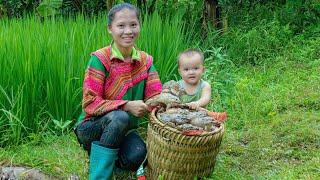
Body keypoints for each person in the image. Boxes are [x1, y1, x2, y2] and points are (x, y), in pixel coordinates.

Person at [74, 3, 162, 180]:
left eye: (133, 25)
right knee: (120, 117)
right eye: (121, 26)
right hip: (92, 126)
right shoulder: (100, 59)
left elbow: (155, 95)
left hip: (125, 131)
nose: (128, 31)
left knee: (138, 155)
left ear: (139, 26)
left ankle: (104, 153)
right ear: (110, 29)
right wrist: (127, 106)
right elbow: (90, 103)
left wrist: (163, 103)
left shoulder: (145, 61)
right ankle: (99, 175)